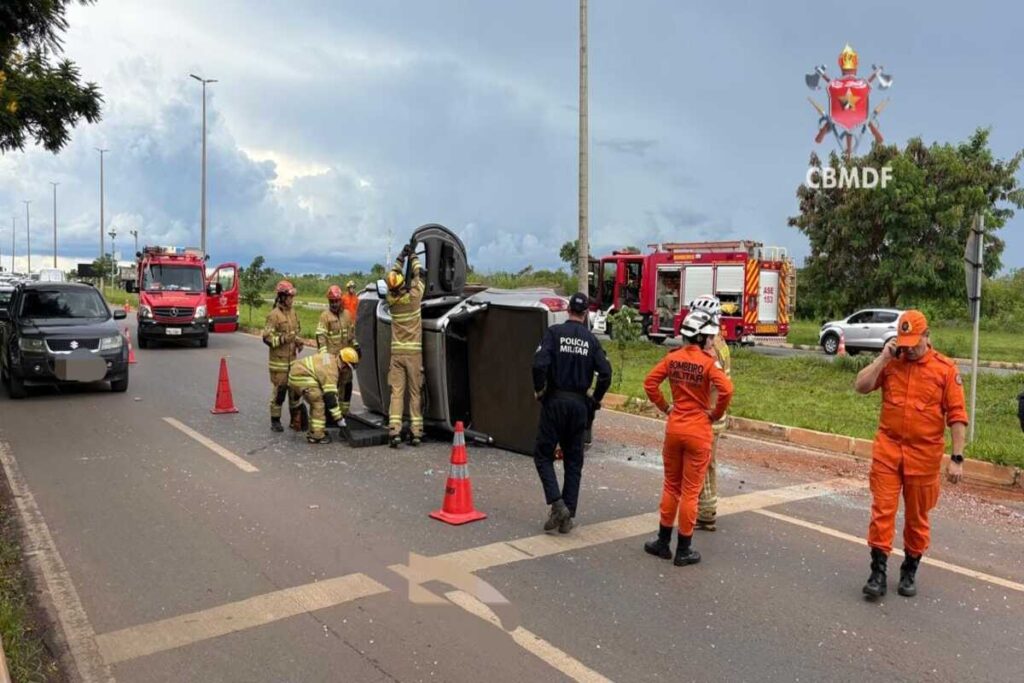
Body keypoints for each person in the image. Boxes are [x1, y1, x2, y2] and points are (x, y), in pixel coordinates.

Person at [854, 310, 967, 598]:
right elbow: (861, 386)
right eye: (906, 342)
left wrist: (957, 459)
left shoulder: (945, 370)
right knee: (882, 511)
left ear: (928, 337)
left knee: (917, 518)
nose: (911, 348)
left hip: (924, 457)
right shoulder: (892, 363)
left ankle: (910, 569)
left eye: (916, 342)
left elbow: (957, 417)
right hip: (888, 450)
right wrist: (883, 358)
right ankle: (877, 572)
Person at [643, 309, 733, 566]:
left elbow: (650, 383)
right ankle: (684, 549)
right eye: (709, 337)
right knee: (690, 492)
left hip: (675, 428)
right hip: (699, 430)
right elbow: (726, 389)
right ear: (702, 337)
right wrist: (715, 413)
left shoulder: (673, 358)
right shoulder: (707, 363)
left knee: (671, 486)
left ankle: (662, 542)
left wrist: (666, 407)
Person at [532, 292, 612, 534]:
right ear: (586, 313)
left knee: (543, 455)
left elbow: (538, 364)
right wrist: (594, 401)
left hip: (555, 400)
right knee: (574, 461)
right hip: (579, 405)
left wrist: (539, 391)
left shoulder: (555, 333)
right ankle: (568, 513)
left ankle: (557, 505)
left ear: (568, 311)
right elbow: (606, 374)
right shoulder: (591, 340)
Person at [687, 295, 731, 532]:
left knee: (701, 465)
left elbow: (713, 384)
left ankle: (705, 513)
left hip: (707, 416)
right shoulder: (722, 343)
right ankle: (708, 509)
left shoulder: (712, 348)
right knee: (709, 463)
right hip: (717, 415)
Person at [385, 244, 426, 447]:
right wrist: (414, 256)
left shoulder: (391, 300)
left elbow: (393, 275)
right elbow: (419, 275)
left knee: (397, 393)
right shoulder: (415, 297)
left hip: (396, 354)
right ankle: (416, 432)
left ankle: (394, 432)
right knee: (415, 392)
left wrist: (401, 257)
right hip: (413, 354)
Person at [288, 347, 359, 444]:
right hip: (301, 376)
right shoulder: (331, 371)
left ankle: (315, 429)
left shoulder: (332, 359)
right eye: (348, 369)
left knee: (318, 397)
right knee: (318, 402)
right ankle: (317, 435)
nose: (348, 372)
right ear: (344, 365)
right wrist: (339, 420)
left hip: (298, 372)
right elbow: (330, 398)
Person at [263, 280, 304, 432]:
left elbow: (295, 332)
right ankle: (275, 421)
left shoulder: (293, 313)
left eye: (292, 297)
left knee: (295, 392)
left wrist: (298, 341)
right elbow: (266, 338)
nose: (292, 300)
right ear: (281, 297)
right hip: (278, 363)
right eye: (289, 297)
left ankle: (295, 420)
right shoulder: (274, 316)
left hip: (292, 361)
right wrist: (282, 339)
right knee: (279, 393)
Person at [317, 285, 358, 416]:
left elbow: (352, 335)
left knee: (347, 384)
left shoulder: (347, 315)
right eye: (331, 302)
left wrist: (356, 350)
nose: (334, 304)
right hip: (332, 361)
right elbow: (320, 337)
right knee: (331, 389)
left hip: (345, 360)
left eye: (336, 301)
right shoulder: (325, 316)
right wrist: (324, 359)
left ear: (340, 300)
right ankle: (330, 415)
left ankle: (344, 413)